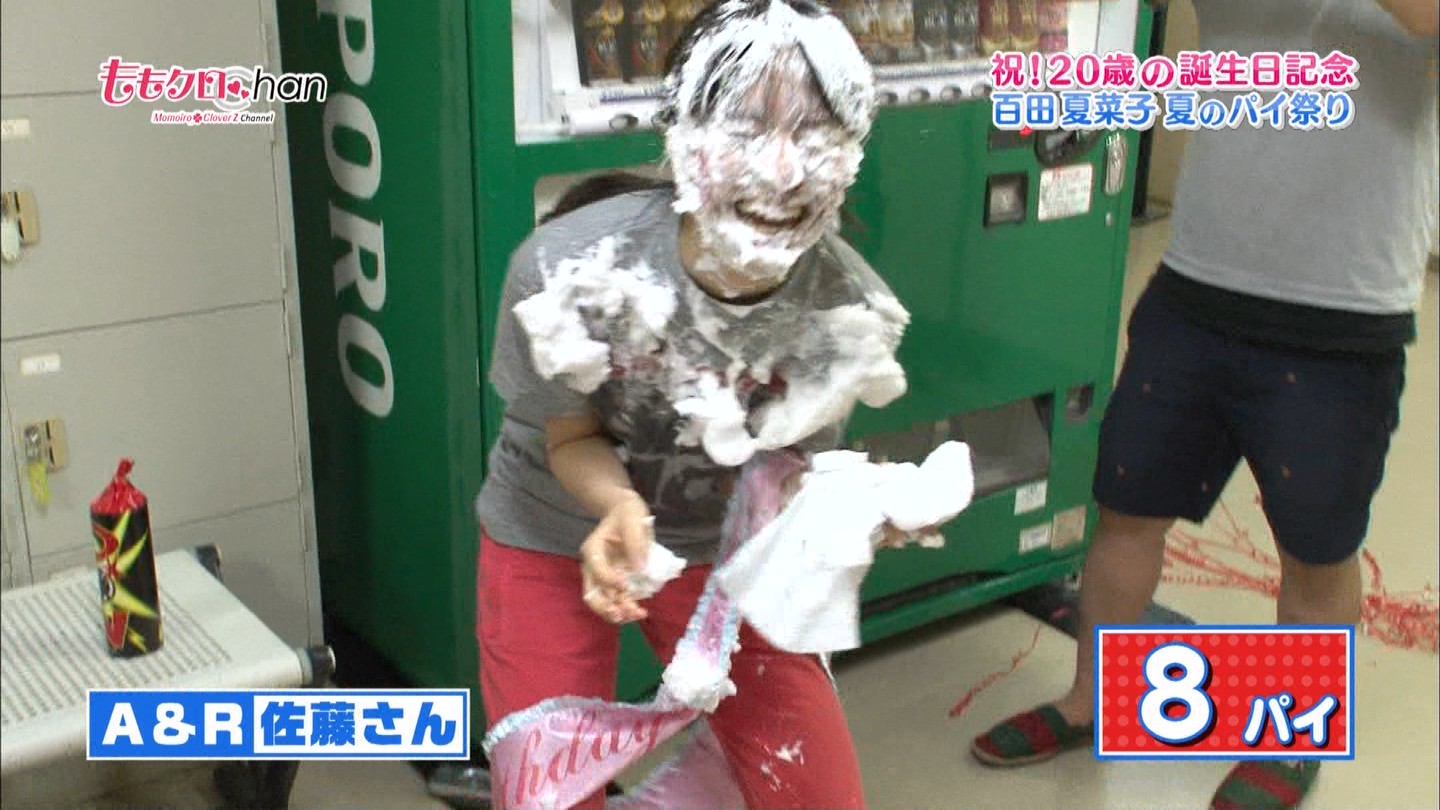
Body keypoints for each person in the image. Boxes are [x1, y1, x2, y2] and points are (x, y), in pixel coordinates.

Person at [970, 1, 1438, 808]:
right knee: (1126, 510)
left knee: (1317, 549)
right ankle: (1091, 699)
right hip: (1198, 284)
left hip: (1345, 310)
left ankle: (1295, 734)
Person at [473, 2, 914, 808]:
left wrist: (853, 511)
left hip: (721, 548)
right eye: (745, 129)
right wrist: (616, 507)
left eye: (815, 135)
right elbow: (567, 439)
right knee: (546, 794)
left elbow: (784, 472)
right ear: (682, 137)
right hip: (552, 525)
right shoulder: (567, 270)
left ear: (852, 153)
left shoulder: (843, 311)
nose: (782, 171)